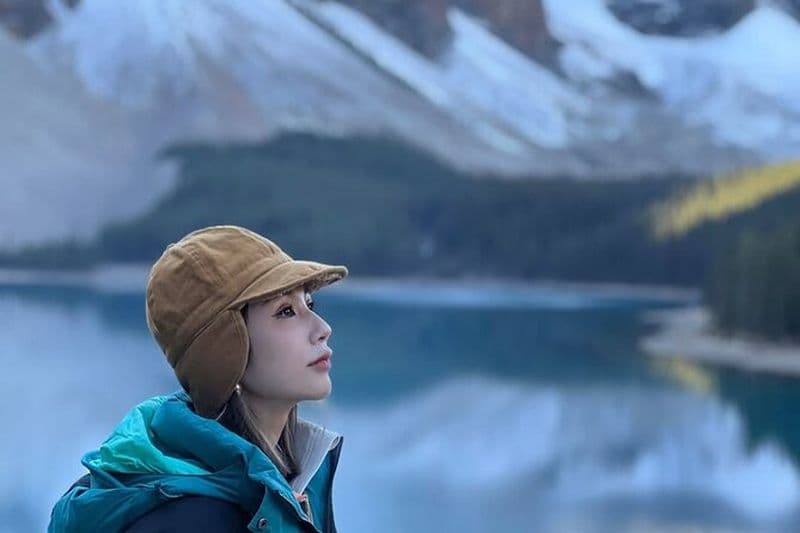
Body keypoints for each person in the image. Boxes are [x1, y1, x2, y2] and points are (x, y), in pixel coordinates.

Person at [48, 225, 349, 532]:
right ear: (223, 350)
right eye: (285, 311)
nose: (323, 328)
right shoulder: (191, 519)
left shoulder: (292, 480)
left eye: (309, 304)